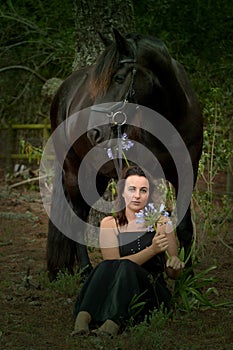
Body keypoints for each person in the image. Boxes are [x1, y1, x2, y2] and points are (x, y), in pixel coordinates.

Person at [72, 165, 184, 337]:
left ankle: (112, 324)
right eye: (131, 189)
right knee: (105, 266)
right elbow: (113, 264)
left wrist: (174, 264)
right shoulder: (110, 223)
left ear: (149, 194)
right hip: (117, 289)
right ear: (122, 192)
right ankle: (83, 319)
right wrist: (151, 249)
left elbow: (172, 274)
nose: (137, 196)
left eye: (143, 190)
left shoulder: (161, 222)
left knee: (126, 267)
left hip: (149, 290)